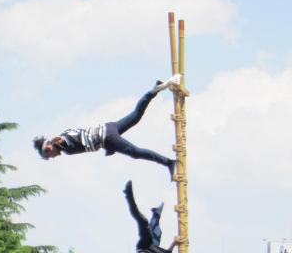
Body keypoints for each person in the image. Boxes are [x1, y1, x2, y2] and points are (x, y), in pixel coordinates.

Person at [33, 75, 182, 180]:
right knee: (136, 116)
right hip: (108, 129)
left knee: (135, 153)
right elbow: (85, 139)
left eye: (49, 155)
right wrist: (108, 149)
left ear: (48, 148)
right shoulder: (64, 135)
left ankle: (169, 162)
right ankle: (154, 90)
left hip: (107, 137)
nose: (52, 157)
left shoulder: (61, 143)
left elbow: (64, 140)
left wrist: (57, 142)